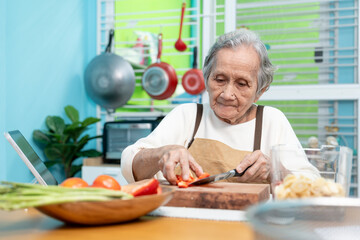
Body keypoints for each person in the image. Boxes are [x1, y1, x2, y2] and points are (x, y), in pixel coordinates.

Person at [121, 28, 318, 185]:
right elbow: (130, 165)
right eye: (220, 79)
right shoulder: (187, 115)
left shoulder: (272, 121)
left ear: (261, 90)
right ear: (206, 78)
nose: (227, 94)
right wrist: (160, 154)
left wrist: (275, 172)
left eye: (242, 84)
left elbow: (312, 185)